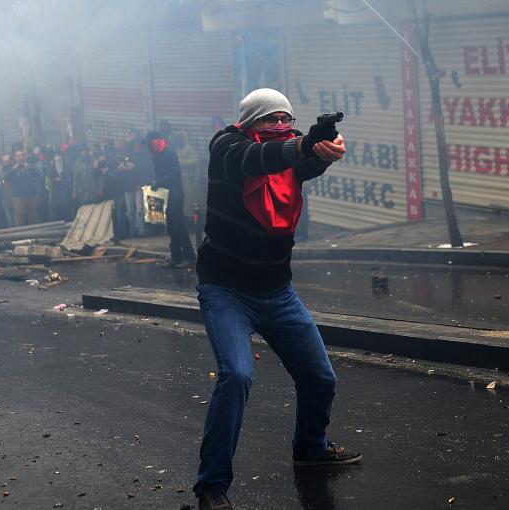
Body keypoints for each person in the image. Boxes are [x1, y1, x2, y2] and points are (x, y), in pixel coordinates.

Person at [193, 88, 359, 510]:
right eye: (271, 120)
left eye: (287, 119)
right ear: (249, 123)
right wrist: (303, 144)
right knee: (236, 377)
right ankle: (212, 486)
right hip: (226, 290)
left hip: (277, 291)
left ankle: (311, 449)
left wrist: (324, 148)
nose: (281, 126)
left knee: (320, 378)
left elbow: (303, 163)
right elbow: (260, 160)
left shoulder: (289, 148)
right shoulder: (228, 146)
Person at [146, 131, 195, 267]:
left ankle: (189, 257)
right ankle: (176, 257)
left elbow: (174, 173)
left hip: (175, 194)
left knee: (179, 226)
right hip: (165, 196)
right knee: (171, 228)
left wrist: (159, 181)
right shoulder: (156, 156)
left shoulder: (169, 154)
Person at [8, 148, 42, 226]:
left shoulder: (30, 166)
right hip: (18, 198)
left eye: (22, 156)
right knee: (19, 220)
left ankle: (34, 237)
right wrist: (14, 169)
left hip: (31, 196)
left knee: (33, 219)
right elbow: (5, 178)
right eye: (18, 156)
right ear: (15, 157)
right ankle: (21, 237)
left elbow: (38, 174)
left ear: (25, 157)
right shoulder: (11, 167)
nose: (20, 157)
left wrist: (30, 167)